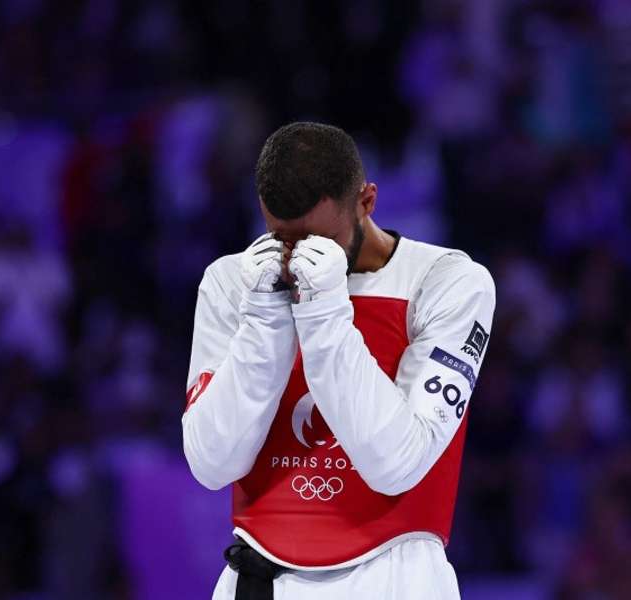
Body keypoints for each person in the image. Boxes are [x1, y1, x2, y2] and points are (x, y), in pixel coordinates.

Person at [182, 122, 496, 599]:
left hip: (395, 576)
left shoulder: (446, 282)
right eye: (283, 238)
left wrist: (323, 310)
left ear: (366, 202)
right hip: (260, 578)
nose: (298, 256)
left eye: (321, 240)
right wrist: (265, 322)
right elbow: (211, 463)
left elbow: (397, 464)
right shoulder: (234, 282)